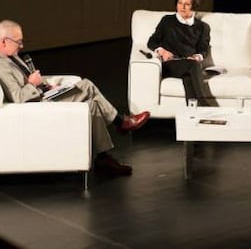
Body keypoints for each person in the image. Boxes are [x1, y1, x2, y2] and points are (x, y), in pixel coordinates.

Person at [0, 19, 150, 177]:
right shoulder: (1, 66)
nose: (21, 46)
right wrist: (32, 84)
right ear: (3, 42)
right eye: (18, 42)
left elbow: (28, 81)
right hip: (36, 107)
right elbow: (18, 97)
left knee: (91, 105)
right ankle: (121, 122)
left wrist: (46, 86)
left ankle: (103, 158)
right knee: (87, 86)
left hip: (41, 96)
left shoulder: (11, 56)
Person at [147, 0, 215, 106]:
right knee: (192, 67)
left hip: (189, 65)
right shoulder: (167, 21)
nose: (182, 7)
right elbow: (152, 42)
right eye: (180, 3)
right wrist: (162, 51)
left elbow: (203, 49)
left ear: (193, 6)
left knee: (189, 77)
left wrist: (197, 56)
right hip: (169, 64)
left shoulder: (202, 27)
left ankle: (193, 111)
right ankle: (204, 104)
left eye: (187, 4)